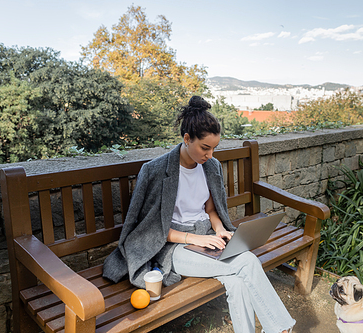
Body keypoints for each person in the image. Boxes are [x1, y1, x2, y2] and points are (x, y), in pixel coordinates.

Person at [103, 96, 295, 333]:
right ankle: (281, 329)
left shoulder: (211, 167)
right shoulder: (154, 170)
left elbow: (211, 210)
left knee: (236, 281)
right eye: (205, 148)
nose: (210, 155)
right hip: (175, 248)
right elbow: (151, 228)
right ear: (186, 139)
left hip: (208, 239)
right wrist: (195, 239)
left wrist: (219, 229)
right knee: (246, 262)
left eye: (214, 148)